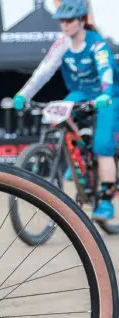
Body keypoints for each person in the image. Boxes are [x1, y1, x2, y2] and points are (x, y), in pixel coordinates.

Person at [13, 0, 119, 220]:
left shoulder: (97, 44)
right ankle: (79, 154)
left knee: (102, 145)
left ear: (81, 21)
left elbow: (106, 73)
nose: (64, 25)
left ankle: (107, 201)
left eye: (69, 20)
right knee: (55, 114)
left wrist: (106, 94)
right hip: (81, 92)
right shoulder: (62, 43)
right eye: (61, 21)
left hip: (107, 96)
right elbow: (44, 71)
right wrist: (24, 94)